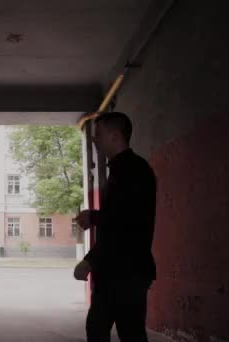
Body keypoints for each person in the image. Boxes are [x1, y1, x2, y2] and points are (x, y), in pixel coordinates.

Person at [74, 112, 157, 342]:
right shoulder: (122, 170)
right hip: (117, 272)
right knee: (98, 329)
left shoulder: (133, 172)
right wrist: (95, 217)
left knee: (127, 334)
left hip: (126, 273)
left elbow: (124, 225)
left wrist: (90, 260)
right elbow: (120, 216)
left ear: (114, 136)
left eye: (97, 135)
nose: (94, 140)